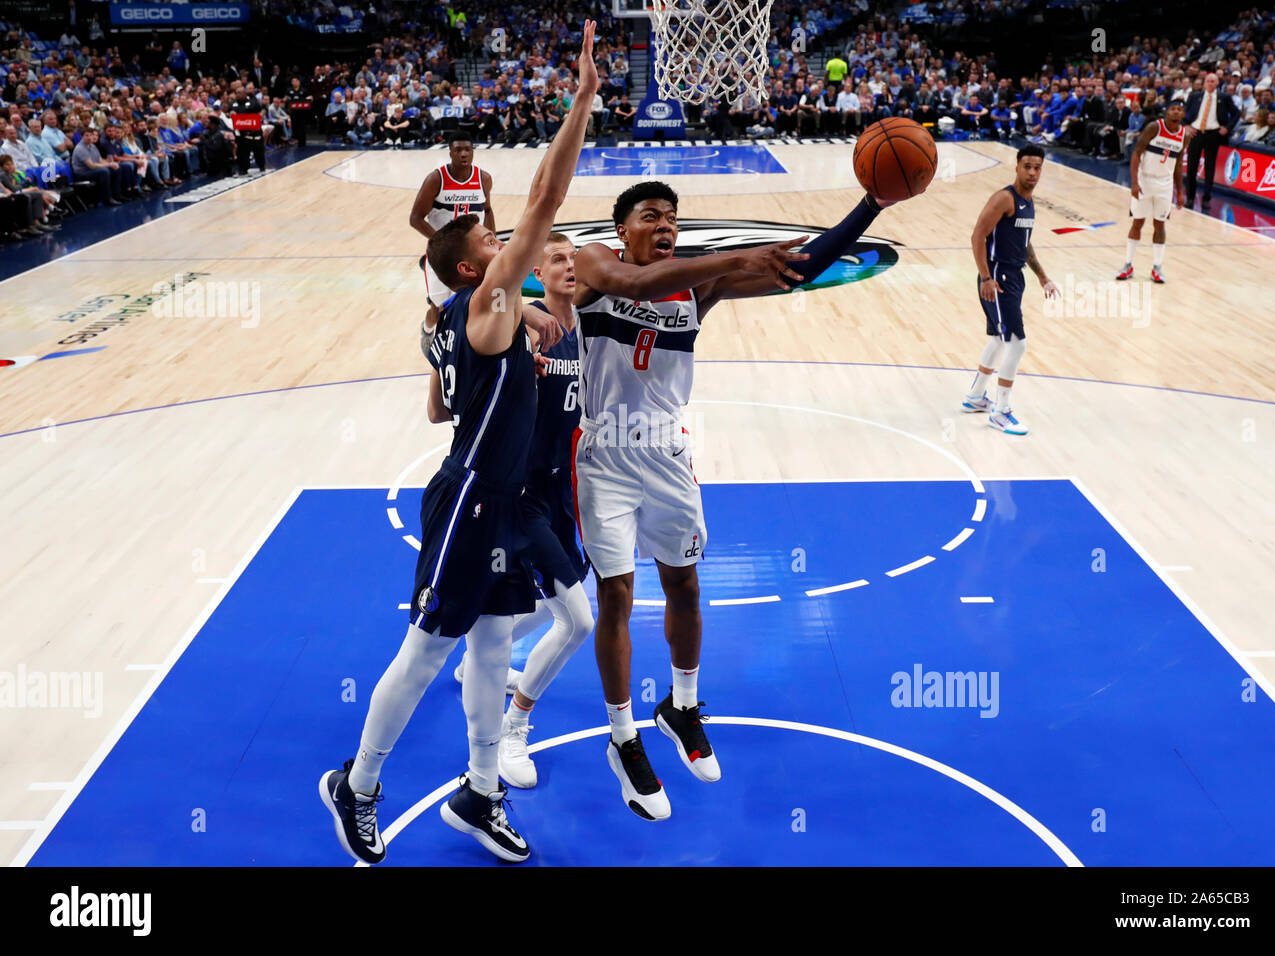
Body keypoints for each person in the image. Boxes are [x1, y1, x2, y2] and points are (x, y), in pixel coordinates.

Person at [319, 20, 599, 866]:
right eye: (488, 238)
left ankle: (480, 793)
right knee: (429, 649)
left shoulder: (463, 312)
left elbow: (440, 401)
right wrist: (581, 100)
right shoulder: (486, 307)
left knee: (492, 646)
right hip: (471, 502)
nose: (500, 232)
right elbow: (547, 201)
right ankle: (358, 784)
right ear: (477, 272)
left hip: (511, 501)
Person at [571, 177, 907, 820]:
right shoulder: (595, 266)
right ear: (622, 229)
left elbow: (801, 269)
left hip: (668, 452)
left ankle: (682, 706)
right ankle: (622, 739)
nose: (666, 226)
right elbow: (637, 288)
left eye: (672, 218)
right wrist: (735, 258)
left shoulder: (697, 286)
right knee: (616, 593)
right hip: (604, 458)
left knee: (687, 586)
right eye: (651, 217)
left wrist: (872, 206)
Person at [489, 233, 595, 790]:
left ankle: (481, 654)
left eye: (575, 258)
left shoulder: (590, 327)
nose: (570, 265)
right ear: (535, 269)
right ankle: (515, 726)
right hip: (522, 494)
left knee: (559, 592)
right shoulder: (518, 328)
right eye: (557, 258)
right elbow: (483, 293)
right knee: (578, 620)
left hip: (565, 491)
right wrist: (524, 307)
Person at [961, 144, 1060, 435]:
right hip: (999, 279)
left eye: (1037, 167)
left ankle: (975, 397)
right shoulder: (1004, 198)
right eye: (1027, 166)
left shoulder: (1028, 202)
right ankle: (1001, 411)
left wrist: (1043, 277)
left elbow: (1024, 243)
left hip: (1013, 276)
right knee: (1017, 343)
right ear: (1016, 167)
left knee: (997, 340)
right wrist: (986, 278)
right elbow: (977, 235)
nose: (1032, 172)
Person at [410, 131, 495, 367]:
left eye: (468, 149)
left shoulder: (483, 178)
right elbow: (416, 218)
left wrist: (492, 242)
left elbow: (487, 210)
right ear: (450, 152)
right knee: (439, 307)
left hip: (471, 256)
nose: (464, 154)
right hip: (441, 257)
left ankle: (463, 353)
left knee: (473, 304)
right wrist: (442, 240)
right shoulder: (436, 179)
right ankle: (428, 331)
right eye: (458, 150)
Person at [1117, 102, 1186, 284]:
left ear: (1183, 114)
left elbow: (1178, 165)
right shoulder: (1154, 127)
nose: (1176, 112)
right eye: (1173, 109)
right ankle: (1128, 264)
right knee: (1137, 222)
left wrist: (1180, 192)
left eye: (1179, 110)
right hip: (1145, 180)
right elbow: (1136, 153)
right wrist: (1134, 182)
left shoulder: (1184, 136)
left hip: (1165, 184)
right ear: (1167, 112)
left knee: (1160, 225)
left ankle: (1157, 267)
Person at [1183, 72, 1239, 211]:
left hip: (1213, 134)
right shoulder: (1195, 96)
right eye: (1208, 81)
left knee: (1210, 168)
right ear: (1204, 83)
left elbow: (1236, 113)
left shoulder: (1224, 97)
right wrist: (1186, 125)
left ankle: (1206, 198)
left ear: (1217, 83)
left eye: (1213, 81)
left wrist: (1227, 127)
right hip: (1196, 133)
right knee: (1191, 167)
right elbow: (1183, 112)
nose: (1210, 83)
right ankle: (1190, 197)